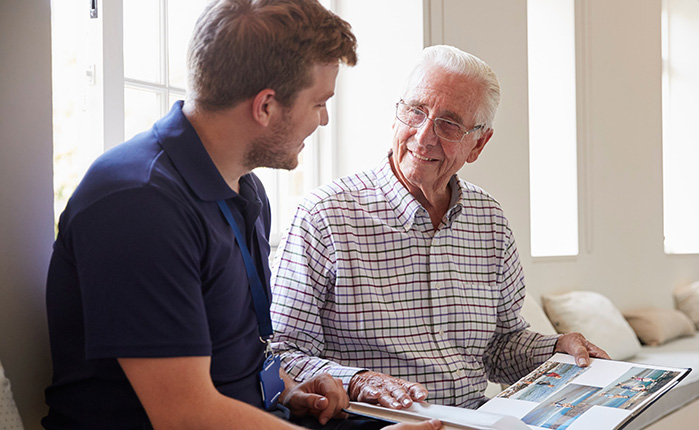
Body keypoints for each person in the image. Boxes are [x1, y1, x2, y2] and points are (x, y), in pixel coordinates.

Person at [43, 1, 438, 429]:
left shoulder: (243, 188)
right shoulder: (137, 203)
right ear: (265, 106)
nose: (323, 120)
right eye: (319, 103)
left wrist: (287, 390)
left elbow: (230, 355)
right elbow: (185, 415)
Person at [269, 44, 610, 411]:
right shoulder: (324, 216)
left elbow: (498, 347)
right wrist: (358, 381)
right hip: (378, 421)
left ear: (478, 143)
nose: (423, 136)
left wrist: (556, 348)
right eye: (415, 112)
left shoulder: (489, 221)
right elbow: (281, 353)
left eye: (448, 123)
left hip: (476, 418)